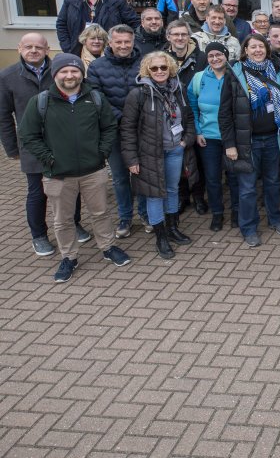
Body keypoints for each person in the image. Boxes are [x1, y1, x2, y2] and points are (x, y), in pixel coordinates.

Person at [18, 53, 131, 282]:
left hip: (93, 170)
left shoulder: (96, 98)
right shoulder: (41, 102)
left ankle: (108, 247)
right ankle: (69, 257)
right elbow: (28, 135)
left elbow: (109, 127)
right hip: (58, 174)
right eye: (64, 71)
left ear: (81, 73)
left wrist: (102, 153)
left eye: (74, 70)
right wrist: (48, 158)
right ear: (55, 74)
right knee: (63, 219)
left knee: (101, 213)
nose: (70, 75)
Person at [0, 33, 89, 256]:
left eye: (38, 47)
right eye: (28, 47)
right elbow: (3, 116)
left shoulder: (61, 70)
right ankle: (39, 235)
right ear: (19, 48)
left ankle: (74, 223)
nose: (33, 51)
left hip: (65, 143)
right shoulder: (7, 77)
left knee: (70, 188)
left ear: (47, 49)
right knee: (37, 192)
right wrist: (11, 148)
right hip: (32, 145)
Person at [120, 51, 196, 260]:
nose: (160, 71)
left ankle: (172, 228)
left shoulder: (179, 89)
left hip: (175, 150)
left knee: (172, 189)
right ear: (147, 70)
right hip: (150, 153)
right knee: (154, 194)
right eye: (154, 68)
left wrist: (186, 140)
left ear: (170, 68)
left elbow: (188, 117)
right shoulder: (138, 94)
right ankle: (160, 236)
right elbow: (127, 129)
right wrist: (132, 159)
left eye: (163, 67)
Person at [224, 35, 280, 246]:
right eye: (253, 47)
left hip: (273, 138)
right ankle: (249, 228)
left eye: (261, 46)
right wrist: (229, 144)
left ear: (267, 49)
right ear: (245, 50)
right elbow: (225, 113)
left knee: (272, 183)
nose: (258, 50)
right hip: (247, 142)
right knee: (248, 188)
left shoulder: (277, 70)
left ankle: (275, 219)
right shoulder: (235, 73)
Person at [86, 24, 144, 238]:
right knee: (120, 177)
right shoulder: (96, 67)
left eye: (127, 41)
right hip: (114, 131)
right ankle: (125, 218)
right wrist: (124, 118)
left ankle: (145, 214)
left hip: (142, 129)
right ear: (109, 43)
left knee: (142, 175)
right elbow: (97, 98)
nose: (123, 45)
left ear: (133, 41)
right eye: (118, 42)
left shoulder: (144, 62)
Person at [188, 42, 239, 232]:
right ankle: (217, 212)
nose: (215, 58)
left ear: (226, 56)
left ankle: (236, 211)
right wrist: (198, 131)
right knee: (212, 177)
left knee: (234, 176)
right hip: (208, 136)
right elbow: (192, 107)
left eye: (219, 55)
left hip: (232, 136)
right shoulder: (199, 78)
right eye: (211, 56)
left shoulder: (235, 75)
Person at [56, 0, 139, 54]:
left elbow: (135, 24)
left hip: (109, 53)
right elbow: (61, 25)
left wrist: (126, 46)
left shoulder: (118, 2)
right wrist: (68, 48)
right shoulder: (70, 1)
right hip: (78, 52)